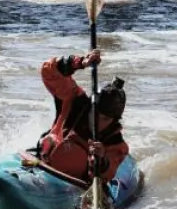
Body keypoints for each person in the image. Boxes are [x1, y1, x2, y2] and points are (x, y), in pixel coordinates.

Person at [35, 49, 129, 184]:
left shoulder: (115, 143)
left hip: (72, 183)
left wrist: (100, 159)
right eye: (96, 114)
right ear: (91, 107)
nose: (98, 122)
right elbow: (49, 72)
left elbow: (105, 176)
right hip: (43, 165)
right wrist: (80, 63)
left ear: (114, 121)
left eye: (106, 119)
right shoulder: (74, 101)